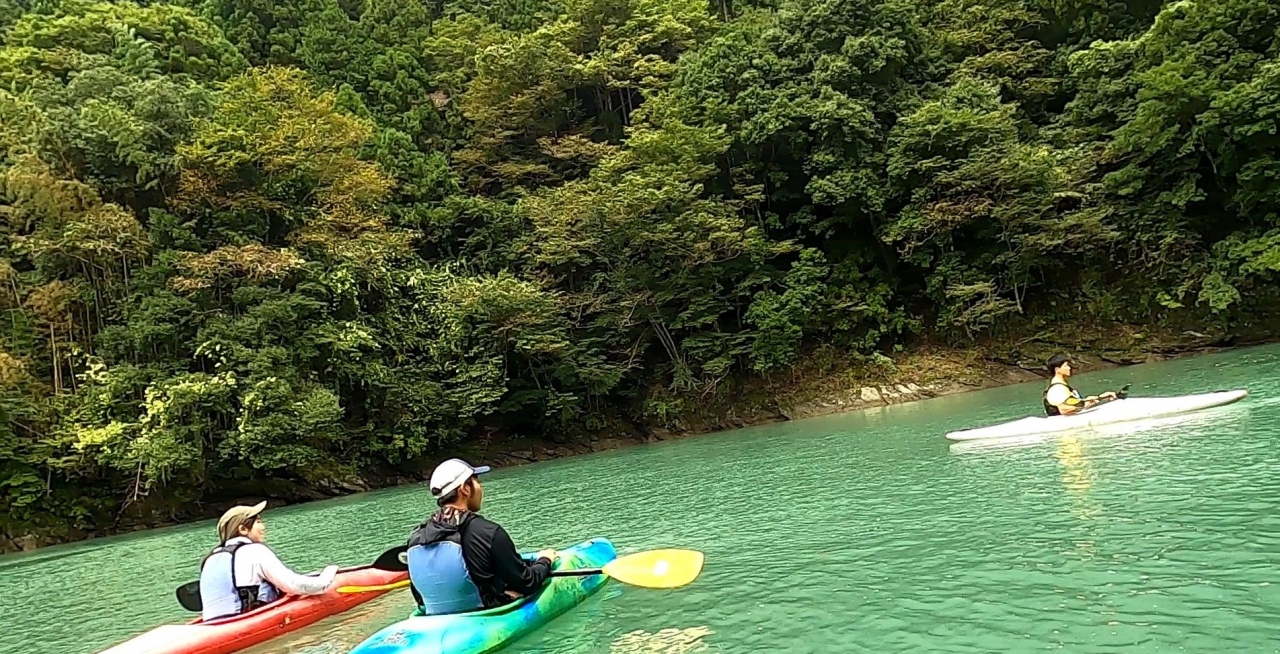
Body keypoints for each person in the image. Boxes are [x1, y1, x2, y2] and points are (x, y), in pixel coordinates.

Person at [405, 458, 558, 615]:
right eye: (476, 481)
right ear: (464, 488)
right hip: (485, 615)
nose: (480, 487)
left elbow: (419, 598)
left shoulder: (416, 538)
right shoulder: (489, 532)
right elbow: (528, 583)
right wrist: (545, 560)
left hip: (434, 618)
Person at [198, 501, 338, 621]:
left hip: (212, 624)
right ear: (243, 529)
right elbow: (293, 584)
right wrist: (327, 577)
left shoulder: (209, 558)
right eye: (258, 522)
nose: (263, 527)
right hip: (244, 620)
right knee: (268, 586)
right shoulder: (254, 550)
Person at [1043, 354, 1118, 416]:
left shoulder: (1062, 386)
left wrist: (1100, 398)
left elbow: (1071, 404)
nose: (1069, 368)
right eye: (1066, 366)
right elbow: (1064, 409)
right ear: (1057, 370)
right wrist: (1084, 404)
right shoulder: (1058, 388)